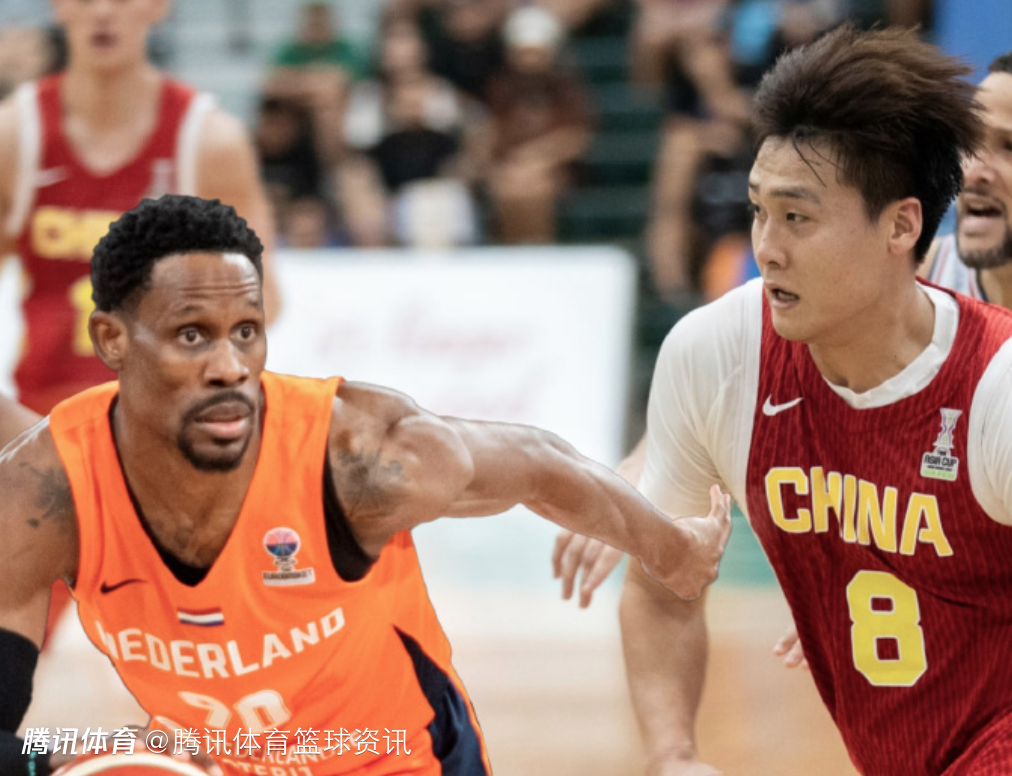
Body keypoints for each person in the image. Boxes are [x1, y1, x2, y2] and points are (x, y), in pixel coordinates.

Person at [0, 194, 732, 776]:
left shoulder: (353, 457)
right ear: (111, 340)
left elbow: (537, 463)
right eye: (192, 335)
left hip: (397, 758)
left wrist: (673, 551)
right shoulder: (43, 493)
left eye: (246, 331)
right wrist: (79, 751)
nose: (229, 367)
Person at [571, 24, 1012, 776]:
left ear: (900, 225)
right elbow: (663, 586)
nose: (765, 248)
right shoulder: (720, 351)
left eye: (797, 218)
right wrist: (673, 755)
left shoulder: (994, 383)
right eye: (757, 211)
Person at [0, 0, 281, 417]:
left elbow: (263, 299)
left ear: (159, 6)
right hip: (44, 417)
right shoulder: (13, 136)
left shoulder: (210, 142)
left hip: (165, 419)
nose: (102, 12)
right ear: (58, 5)